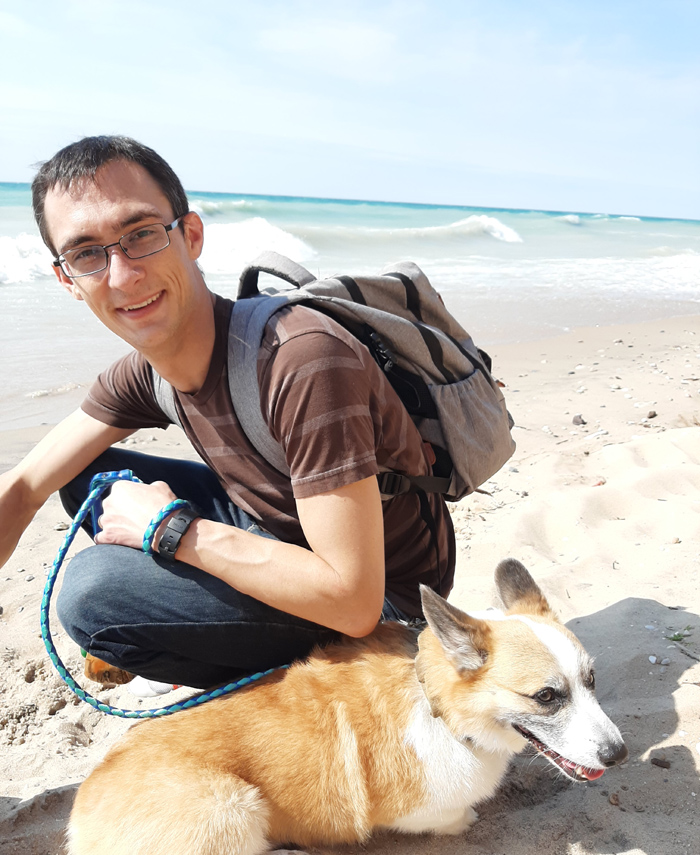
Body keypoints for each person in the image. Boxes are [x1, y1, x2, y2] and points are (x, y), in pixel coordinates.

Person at [0, 135, 455, 693]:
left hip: (388, 601)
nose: (121, 275)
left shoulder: (301, 357)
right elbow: (22, 487)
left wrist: (170, 532)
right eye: (88, 253)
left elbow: (355, 600)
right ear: (67, 278)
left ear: (190, 236)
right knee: (84, 478)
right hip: (280, 531)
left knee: (95, 594)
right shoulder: (146, 370)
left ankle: (280, 679)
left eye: (140, 235)